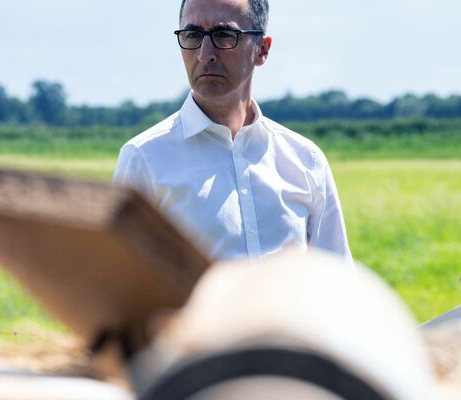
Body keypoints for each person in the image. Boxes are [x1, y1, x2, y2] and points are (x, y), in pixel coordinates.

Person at [113, 0, 352, 263]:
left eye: (224, 35)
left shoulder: (306, 161)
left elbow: (337, 285)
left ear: (262, 49)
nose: (204, 54)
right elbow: (122, 286)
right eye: (192, 35)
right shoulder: (144, 158)